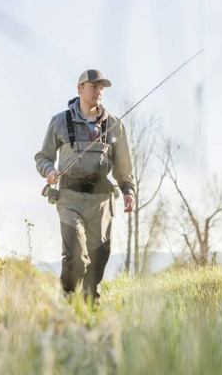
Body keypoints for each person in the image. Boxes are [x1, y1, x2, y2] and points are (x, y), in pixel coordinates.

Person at [35, 69, 135, 304]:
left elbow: (123, 167)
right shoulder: (59, 121)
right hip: (69, 197)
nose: (98, 92)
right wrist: (49, 172)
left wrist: (128, 190)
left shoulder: (115, 125)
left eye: (101, 88)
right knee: (76, 256)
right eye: (93, 86)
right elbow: (43, 157)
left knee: (100, 255)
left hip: (102, 200)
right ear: (80, 89)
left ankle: (91, 307)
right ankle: (68, 303)